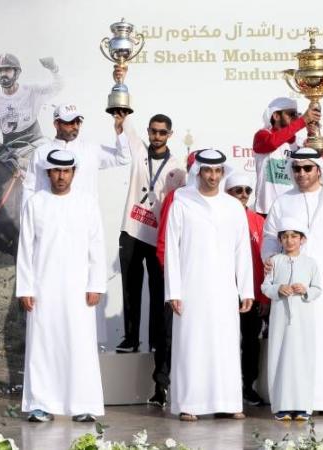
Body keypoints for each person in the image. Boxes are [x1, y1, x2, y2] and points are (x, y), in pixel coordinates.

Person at [262, 147, 323, 414]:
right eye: (296, 168)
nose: (301, 173)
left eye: (307, 168)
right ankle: (295, 402)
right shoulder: (283, 201)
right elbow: (270, 236)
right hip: (292, 285)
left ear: (319, 170)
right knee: (295, 344)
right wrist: (270, 258)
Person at [162, 149, 254, 421]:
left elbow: (242, 251)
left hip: (225, 290)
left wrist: (246, 289)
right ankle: (190, 404)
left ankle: (227, 402)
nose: (213, 177)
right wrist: (174, 291)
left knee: (225, 344)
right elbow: (172, 251)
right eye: (208, 171)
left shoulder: (233, 206)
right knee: (192, 344)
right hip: (191, 288)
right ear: (198, 172)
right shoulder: (181, 201)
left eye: (217, 172)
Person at [16, 149, 107, 423]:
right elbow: (25, 249)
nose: (61, 176)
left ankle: (82, 405)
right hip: (43, 289)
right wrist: (26, 288)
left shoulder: (87, 203)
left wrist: (96, 285)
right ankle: (40, 404)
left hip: (79, 290)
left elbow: (96, 246)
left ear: (74, 173)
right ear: (48, 173)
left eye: (66, 171)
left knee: (80, 344)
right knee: (43, 346)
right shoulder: (35, 203)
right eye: (56, 171)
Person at [115, 114, 187, 408]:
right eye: (153, 131)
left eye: (162, 132)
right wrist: (121, 80)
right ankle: (131, 337)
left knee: (159, 295)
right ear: (148, 132)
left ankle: (156, 341)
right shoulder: (137, 150)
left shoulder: (178, 168)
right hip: (132, 228)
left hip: (158, 235)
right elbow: (123, 120)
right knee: (131, 287)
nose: (157, 136)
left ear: (170, 134)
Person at [262, 218, 322, 421]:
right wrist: (278, 289)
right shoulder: (275, 262)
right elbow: (265, 287)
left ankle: (302, 406)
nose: (289, 241)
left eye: (294, 236)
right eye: (285, 237)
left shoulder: (310, 263)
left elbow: (317, 289)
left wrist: (305, 290)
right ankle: (282, 406)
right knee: (280, 357)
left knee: (302, 359)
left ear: (302, 239)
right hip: (280, 319)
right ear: (280, 239)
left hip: (303, 320)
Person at [22, 103, 130, 206]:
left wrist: (120, 132)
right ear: (56, 124)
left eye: (78, 122)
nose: (75, 126)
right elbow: (29, 189)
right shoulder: (41, 153)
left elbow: (123, 158)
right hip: (51, 219)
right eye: (70, 122)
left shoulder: (91, 150)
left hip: (83, 219)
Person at [225, 172, 268, 407]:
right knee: (224, 342)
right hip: (223, 293)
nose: (243, 195)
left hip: (250, 294)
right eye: (237, 190)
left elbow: (263, 261)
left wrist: (262, 296)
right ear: (228, 192)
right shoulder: (219, 216)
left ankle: (248, 386)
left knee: (250, 341)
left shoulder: (259, 221)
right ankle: (224, 388)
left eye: (247, 191)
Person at [0, 53, 61, 156]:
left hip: (36, 145)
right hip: (10, 151)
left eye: (7, 70)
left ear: (17, 72)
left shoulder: (31, 90)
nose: (3, 74)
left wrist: (54, 69)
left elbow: (58, 86)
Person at [252, 97, 321, 214]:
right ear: (276, 116)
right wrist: (302, 121)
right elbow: (272, 143)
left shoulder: (299, 142)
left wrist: (313, 136)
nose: (296, 118)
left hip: (293, 208)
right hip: (267, 209)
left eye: (297, 114)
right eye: (291, 114)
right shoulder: (262, 135)